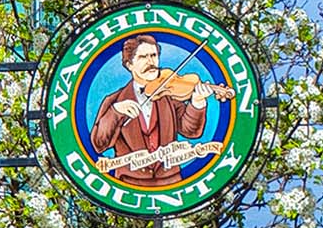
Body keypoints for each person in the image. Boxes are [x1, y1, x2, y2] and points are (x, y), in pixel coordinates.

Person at [88, 34, 226, 187]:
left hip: (172, 182)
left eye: (153, 55)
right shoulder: (114, 100)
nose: (151, 62)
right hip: (128, 184)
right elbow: (99, 144)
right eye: (142, 57)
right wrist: (116, 112)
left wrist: (197, 102)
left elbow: (191, 131)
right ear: (129, 65)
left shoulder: (169, 96)